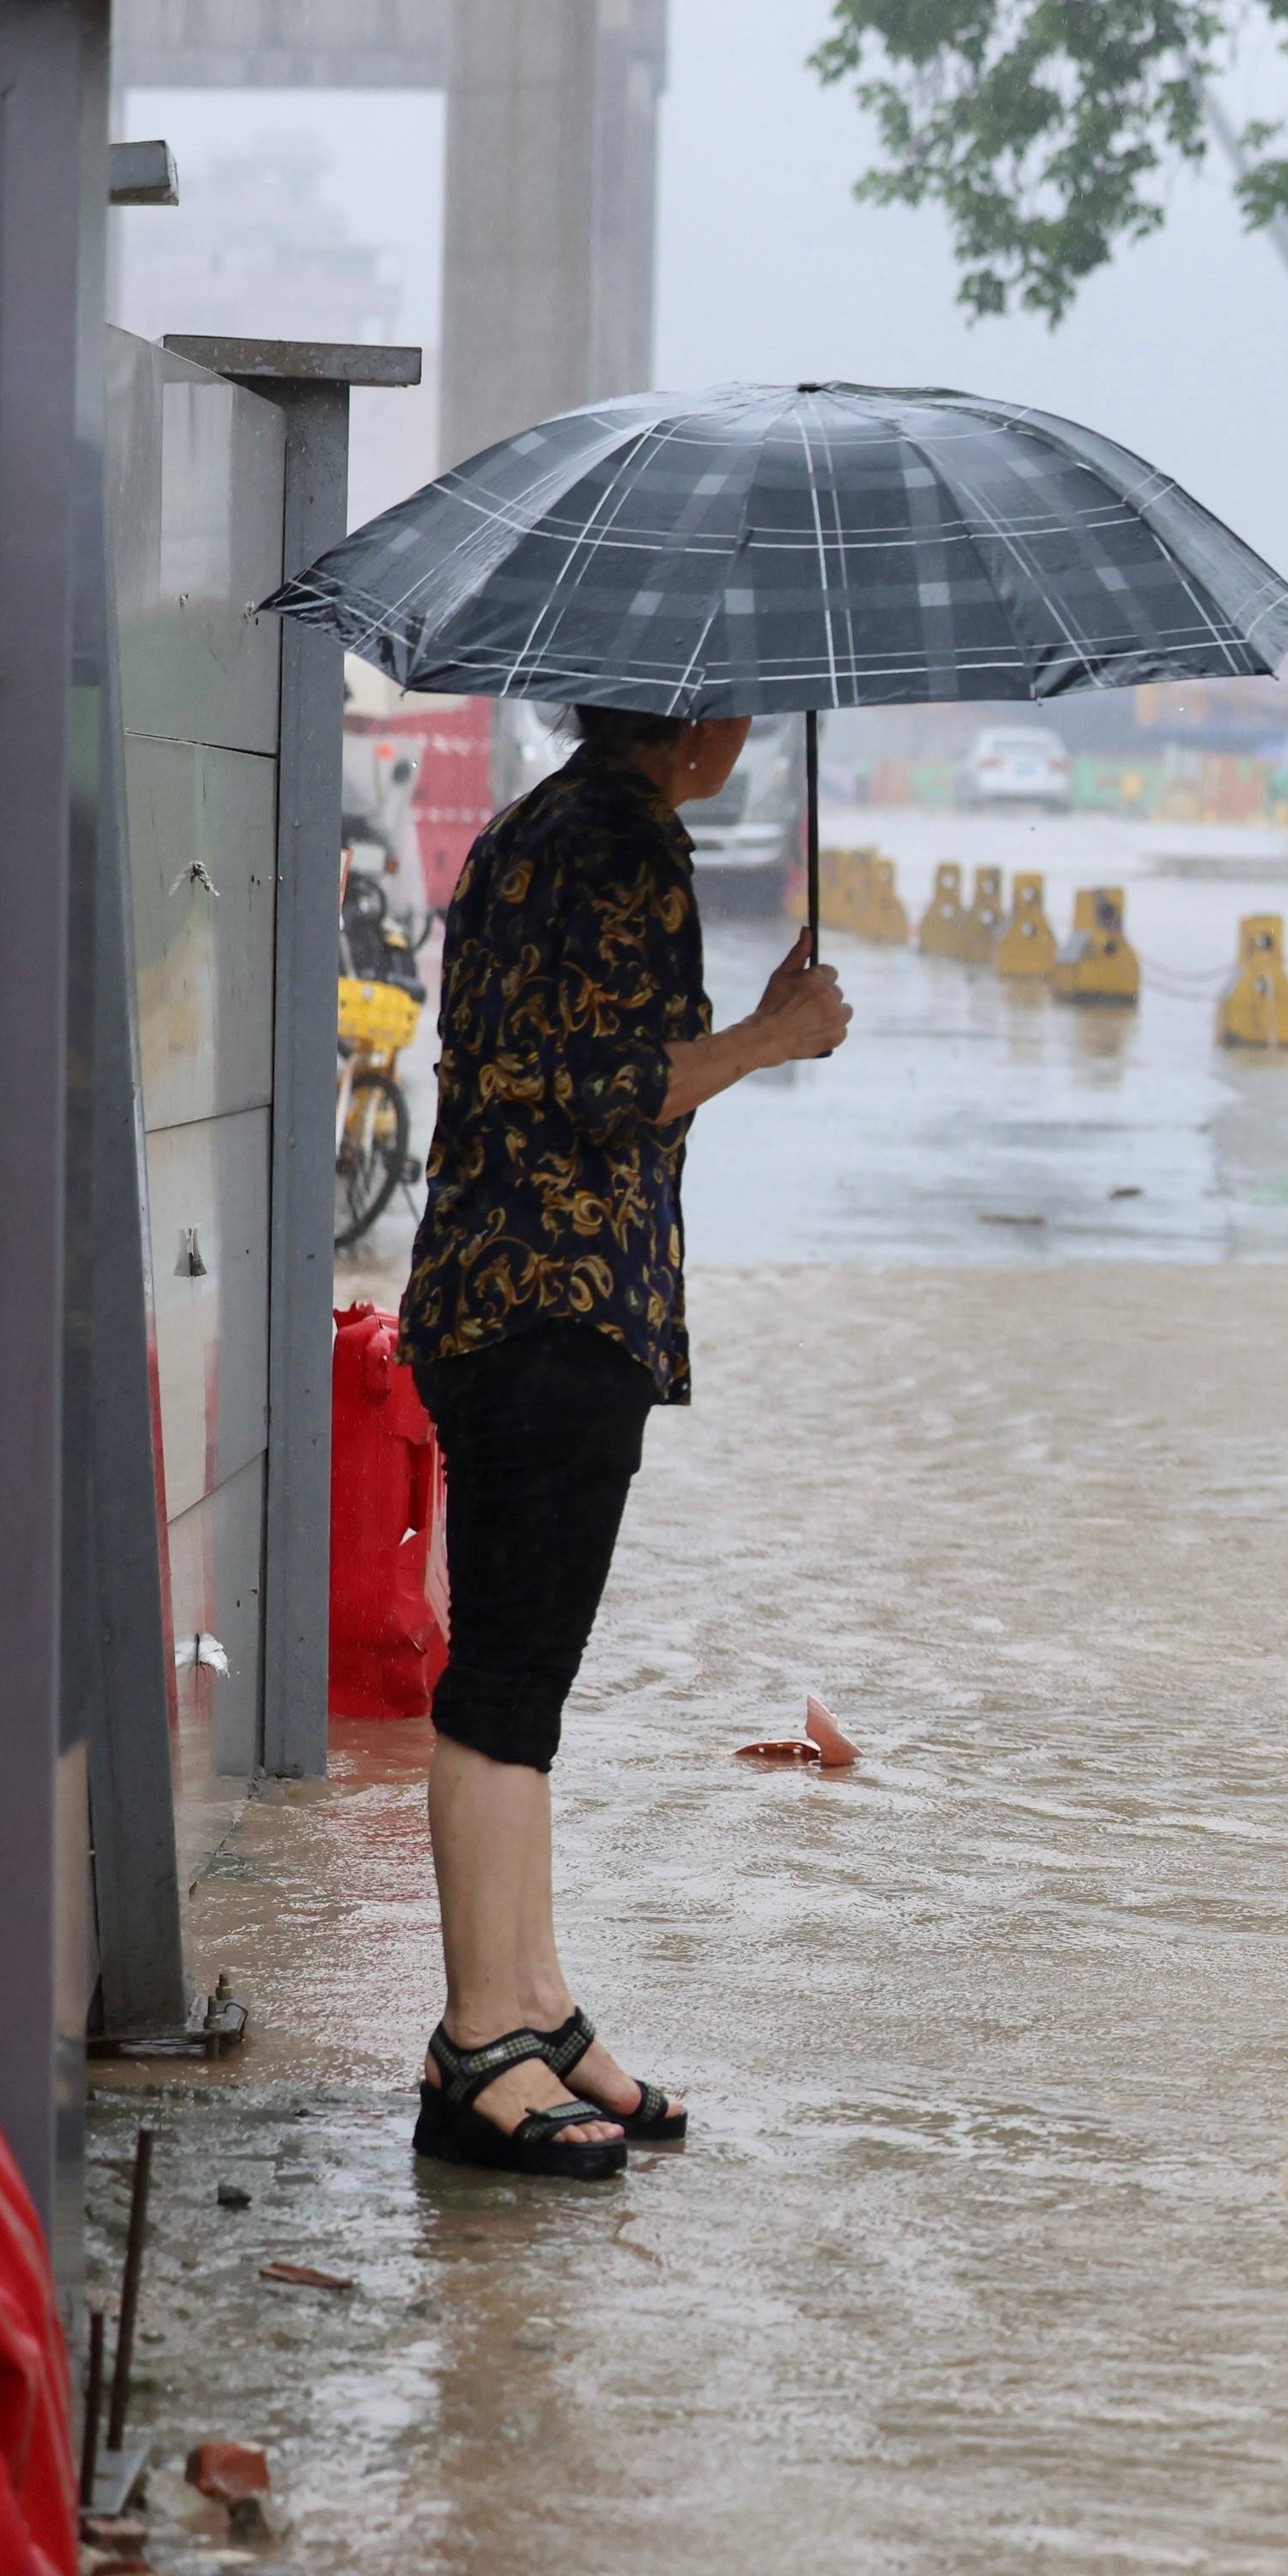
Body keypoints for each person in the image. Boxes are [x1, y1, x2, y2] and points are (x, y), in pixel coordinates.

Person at [392, 708, 851, 2177]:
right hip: (555, 1306)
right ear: (695, 717)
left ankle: (531, 2005)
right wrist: (774, 1038)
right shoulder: (622, 848)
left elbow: (565, 1064)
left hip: (502, 1297)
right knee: (510, 1676)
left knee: (527, 1676)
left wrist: (738, 1032)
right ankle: (477, 2047)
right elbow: (610, 1093)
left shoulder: (537, 829)